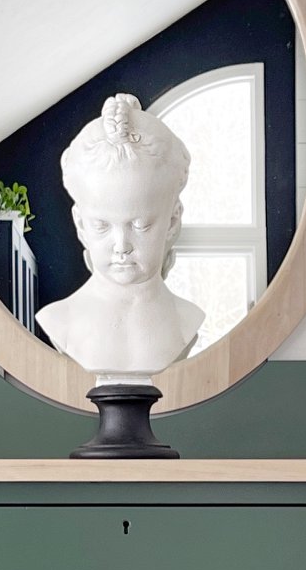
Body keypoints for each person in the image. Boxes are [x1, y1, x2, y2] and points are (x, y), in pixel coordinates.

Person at [35, 93, 205, 376]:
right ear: (80, 224)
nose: (121, 245)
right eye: (102, 225)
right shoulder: (59, 320)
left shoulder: (186, 321)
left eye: (140, 225)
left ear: (173, 221)